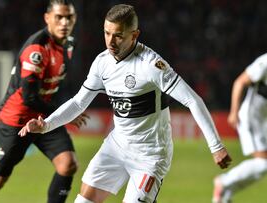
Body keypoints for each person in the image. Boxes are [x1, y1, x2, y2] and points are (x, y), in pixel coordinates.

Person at [19, 4, 232, 203]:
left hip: (150, 155)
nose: (111, 41)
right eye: (107, 33)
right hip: (117, 145)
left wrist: (216, 147)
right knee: (84, 198)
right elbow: (78, 103)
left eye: (118, 36)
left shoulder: (151, 65)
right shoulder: (102, 62)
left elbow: (192, 100)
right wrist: (45, 125)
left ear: (135, 35)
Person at [0, 1, 88, 203]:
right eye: (59, 17)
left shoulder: (69, 44)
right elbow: (29, 97)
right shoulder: (37, 49)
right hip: (15, 120)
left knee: (67, 163)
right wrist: (66, 113)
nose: (64, 22)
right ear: (47, 18)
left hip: (44, 117)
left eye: (69, 17)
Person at [212, 54, 267, 203]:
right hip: (251, 117)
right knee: (263, 164)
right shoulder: (265, 62)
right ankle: (224, 183)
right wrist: (234, 111)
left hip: (263, 120)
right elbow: (240, 82)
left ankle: (225, 194)